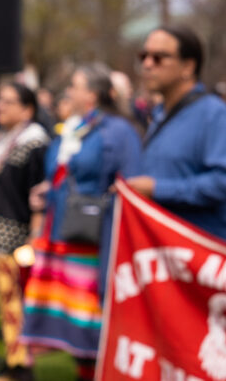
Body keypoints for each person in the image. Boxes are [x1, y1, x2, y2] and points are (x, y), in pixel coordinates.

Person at [20, 64, 142, 380]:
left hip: (92, 235)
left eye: (76, 86)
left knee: (89, 312)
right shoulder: (71, 127)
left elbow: (131, 179)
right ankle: (80, 367)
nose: (70, 92)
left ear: (93, 93)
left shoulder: (117, 130)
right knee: (69, 311)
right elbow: (66, 171)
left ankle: (94, 371)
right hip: (59, 228)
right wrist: (48, 190)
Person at [124, 25, 226, 243]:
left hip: (202, 254)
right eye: (144, 56)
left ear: (188, 67)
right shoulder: (160, 113)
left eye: (159, 57)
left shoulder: (214, 114)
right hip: (165, 251)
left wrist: (158, 188)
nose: (147, 64)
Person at [0, 82, 51, 381]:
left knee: (11, 308)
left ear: (27, 109)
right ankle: (1, 367)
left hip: (14, 240)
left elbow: (39, 194)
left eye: (7, 101)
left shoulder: (35, 143)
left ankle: (20, 371)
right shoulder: (1, 139)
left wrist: (34, 239)